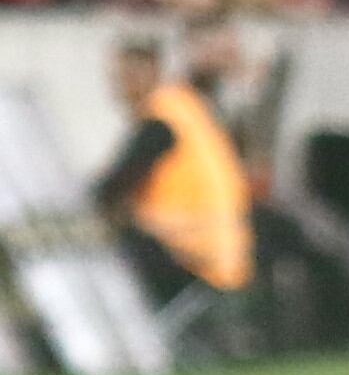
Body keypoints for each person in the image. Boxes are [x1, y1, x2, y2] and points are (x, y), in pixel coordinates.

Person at [91, 34, 253, 306]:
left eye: (125, 75)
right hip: (227, 251)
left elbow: (113, 185)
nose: (120, 85)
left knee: (104, 240)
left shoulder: (160, 122)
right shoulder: (186, 107)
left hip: (191, 253)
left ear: (150, 74)